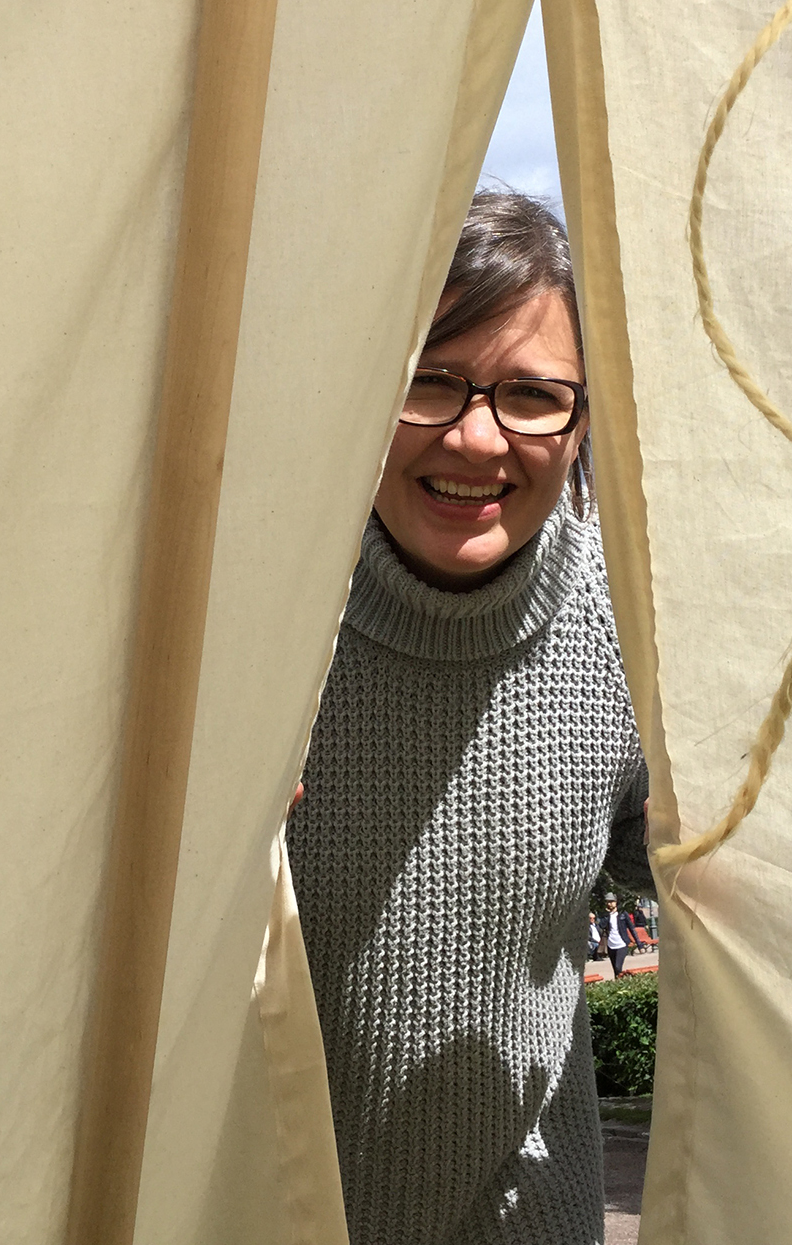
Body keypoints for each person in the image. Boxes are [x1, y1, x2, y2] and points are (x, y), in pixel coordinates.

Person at [288, 190, 653, 1245]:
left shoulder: (635, 632)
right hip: (252, 1205)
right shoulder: (250, 627)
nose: (475, 438)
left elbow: (710, 878)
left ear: (582, 418)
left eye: (532, 396)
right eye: (427, 383)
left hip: (522, 1215)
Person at [595, 892, 629, 978]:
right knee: (615, 970)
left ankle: (624, 982)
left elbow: (631, 928)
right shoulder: (606, 915)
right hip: (611, 945)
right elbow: (601, 926)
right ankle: (619, 986)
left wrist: (639, 945)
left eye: (611, 901)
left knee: (618, 967)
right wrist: (607, 916)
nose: (609, 904)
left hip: (622, 944)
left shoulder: (622, 914)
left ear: (616, 902)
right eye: (608, 902)